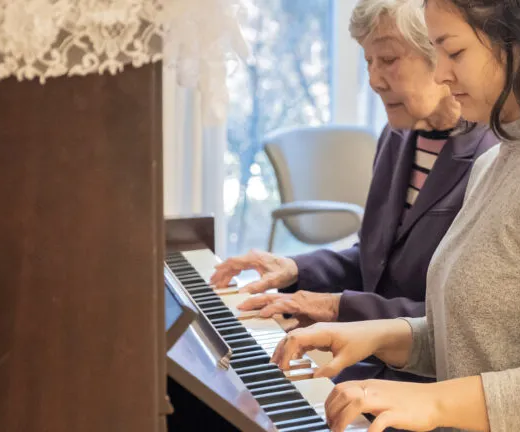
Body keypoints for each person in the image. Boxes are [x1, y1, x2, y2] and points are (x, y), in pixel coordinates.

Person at [270, 0, 520, 431]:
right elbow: (475, 338)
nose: (439, 73)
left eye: (453, 52)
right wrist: (373, 336)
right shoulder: (498, 162)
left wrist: (433, 402)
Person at [211, 0, 497, 384]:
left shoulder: (494, 157)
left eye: (389, 59)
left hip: (430, 384)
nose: (375, 80)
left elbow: (463, 318)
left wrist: (336, 307)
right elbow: (375, 261)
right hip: (365, 364)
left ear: (440, 56)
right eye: (368, 62)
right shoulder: (398, 136)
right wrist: (294, 269)